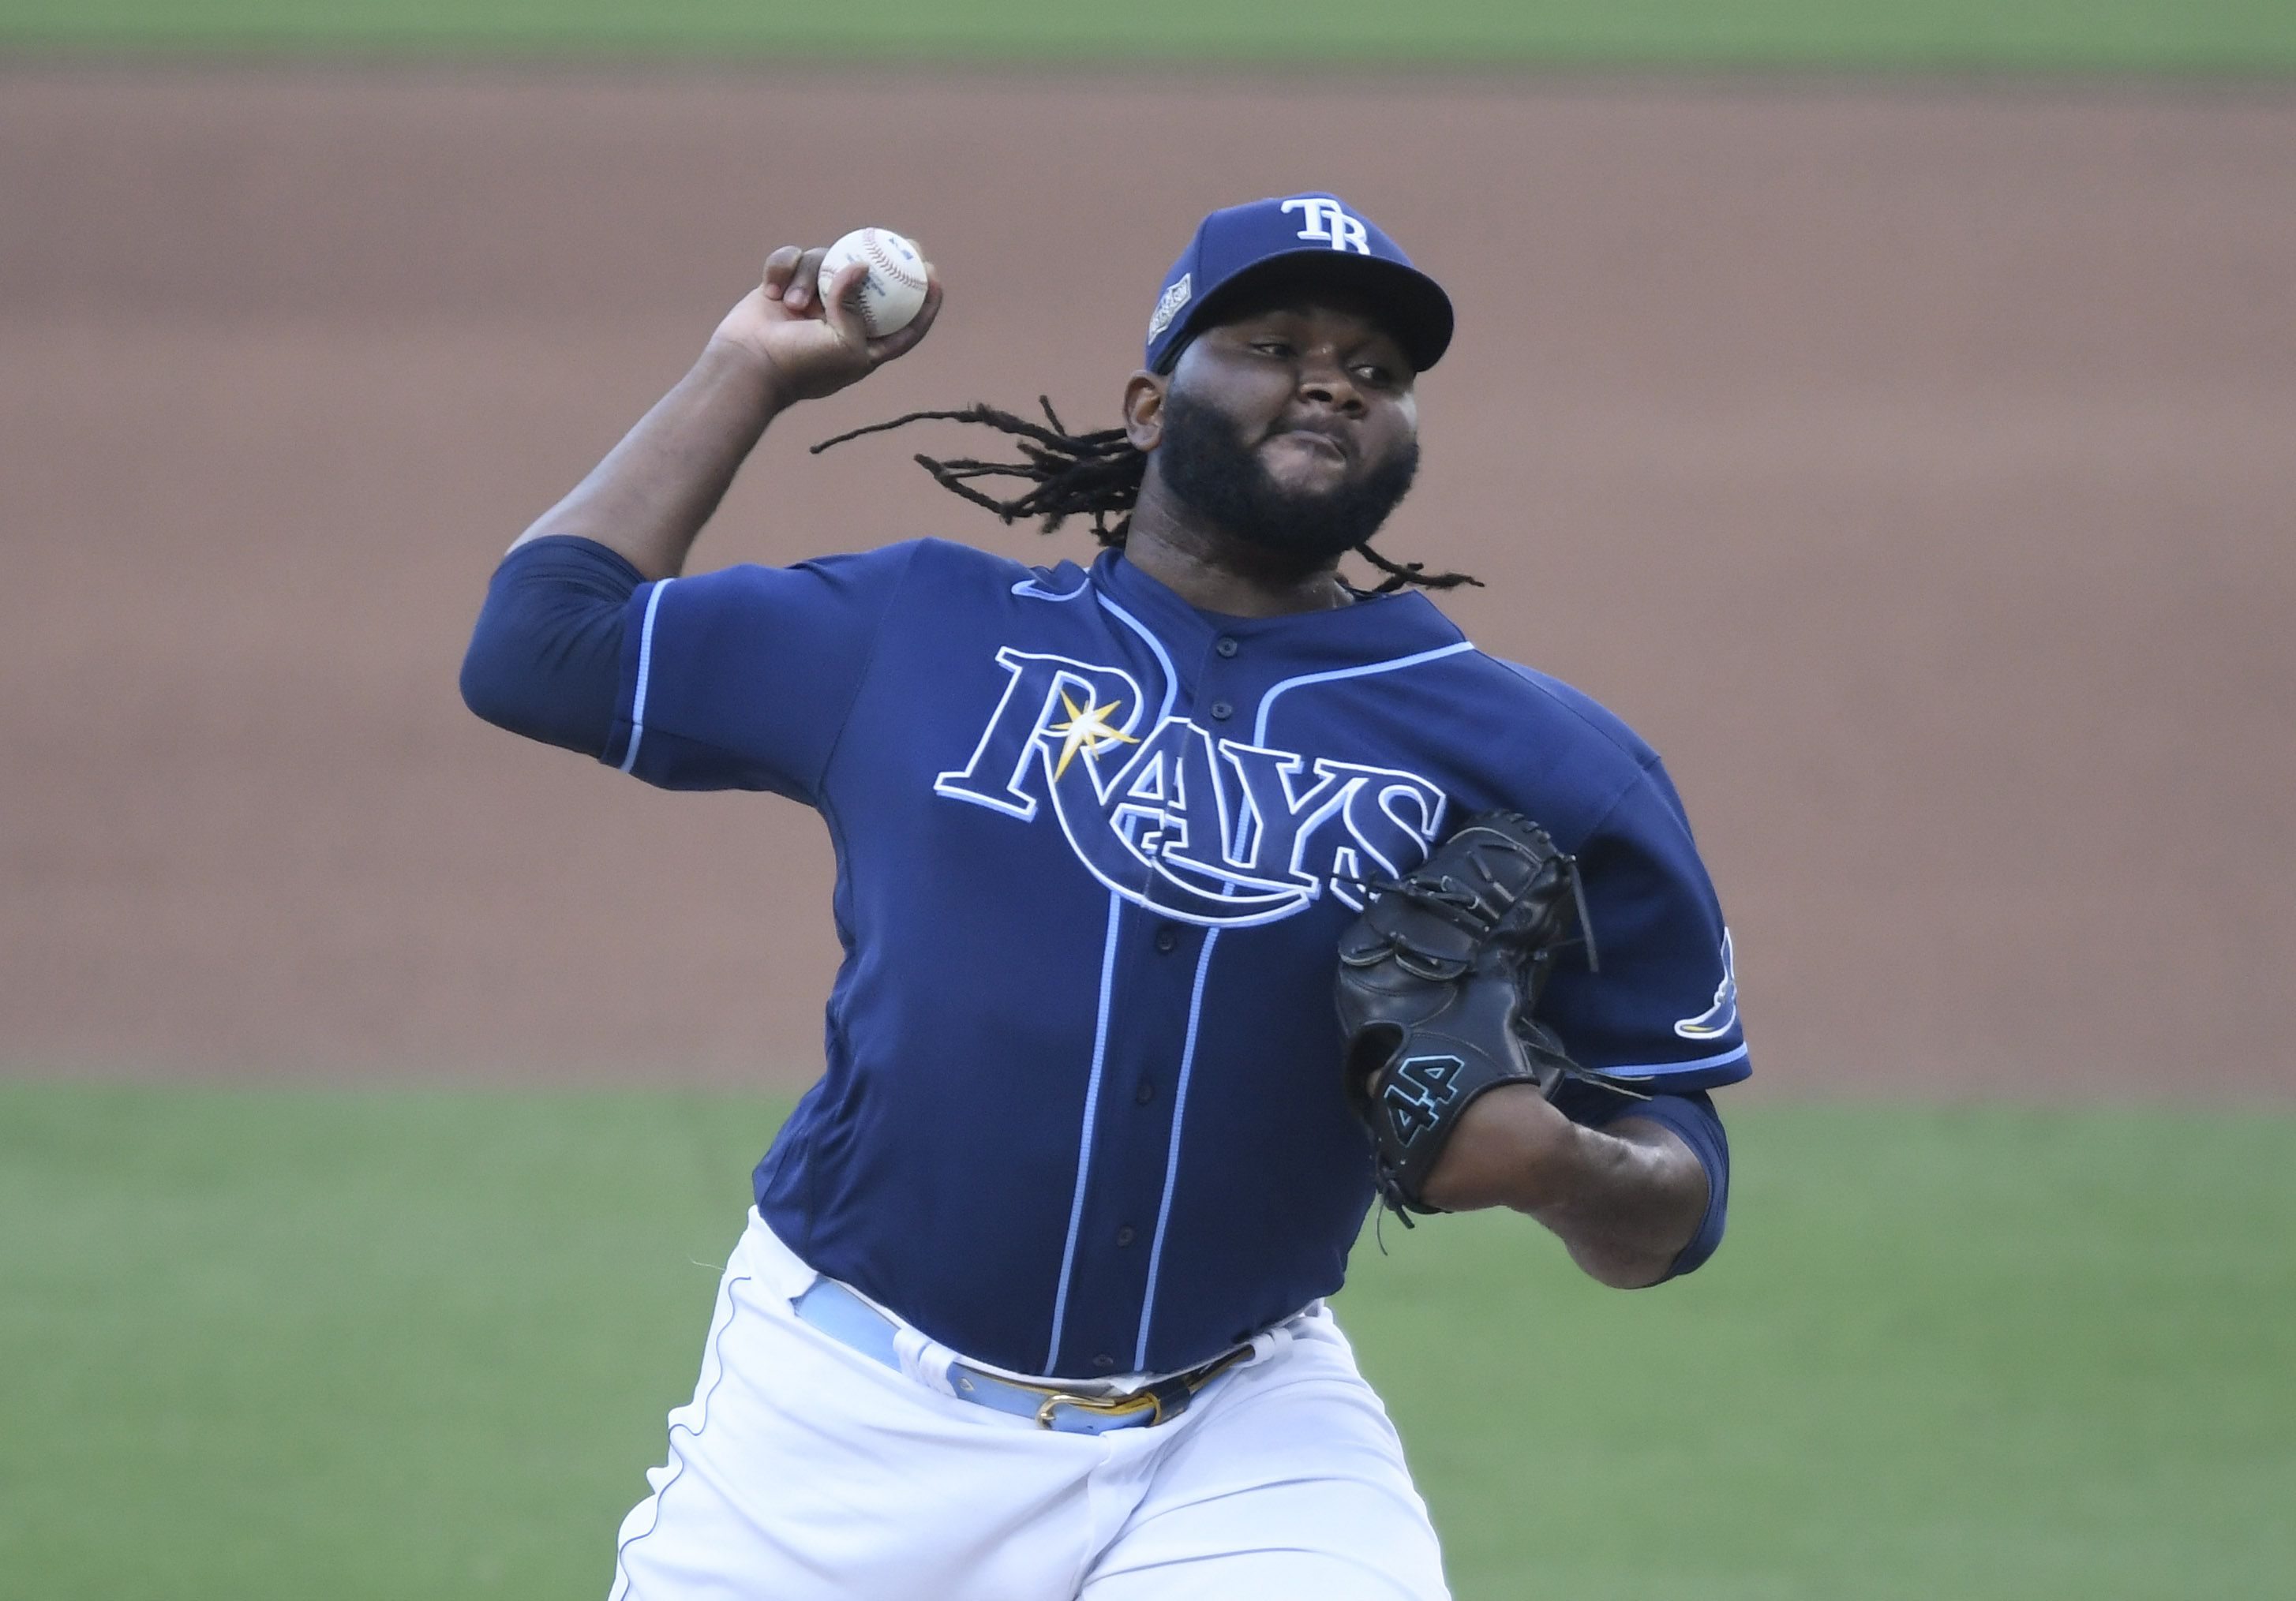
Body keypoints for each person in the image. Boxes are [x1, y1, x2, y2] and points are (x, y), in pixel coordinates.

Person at [461, 192, 1748, 1601]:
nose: (1332, 379)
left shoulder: (1544, 764)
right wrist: (748, 370)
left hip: (1240, 1431)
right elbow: (539, 648)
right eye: (1271, 343)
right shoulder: (918, 630)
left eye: (1378, 372)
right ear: (1147, 404)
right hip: (841, 1420)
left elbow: (1671, 1190)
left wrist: (1563, 1167)